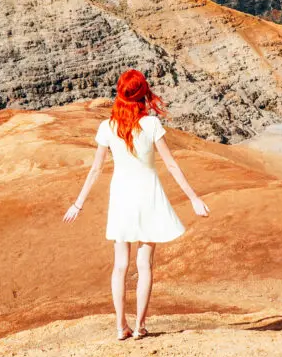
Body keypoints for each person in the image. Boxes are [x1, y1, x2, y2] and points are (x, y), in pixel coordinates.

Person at [63, 69, 210, 340]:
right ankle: (140, 326)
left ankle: (121, 327)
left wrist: (78, 204)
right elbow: (171, 164)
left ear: (119, 93)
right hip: (148, 196)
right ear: (142, 93)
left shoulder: (107, 128)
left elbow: (95, 170)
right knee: (145, 265)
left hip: (121, 197)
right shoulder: (152, 125)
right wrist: (194, 198)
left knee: (120, 266)